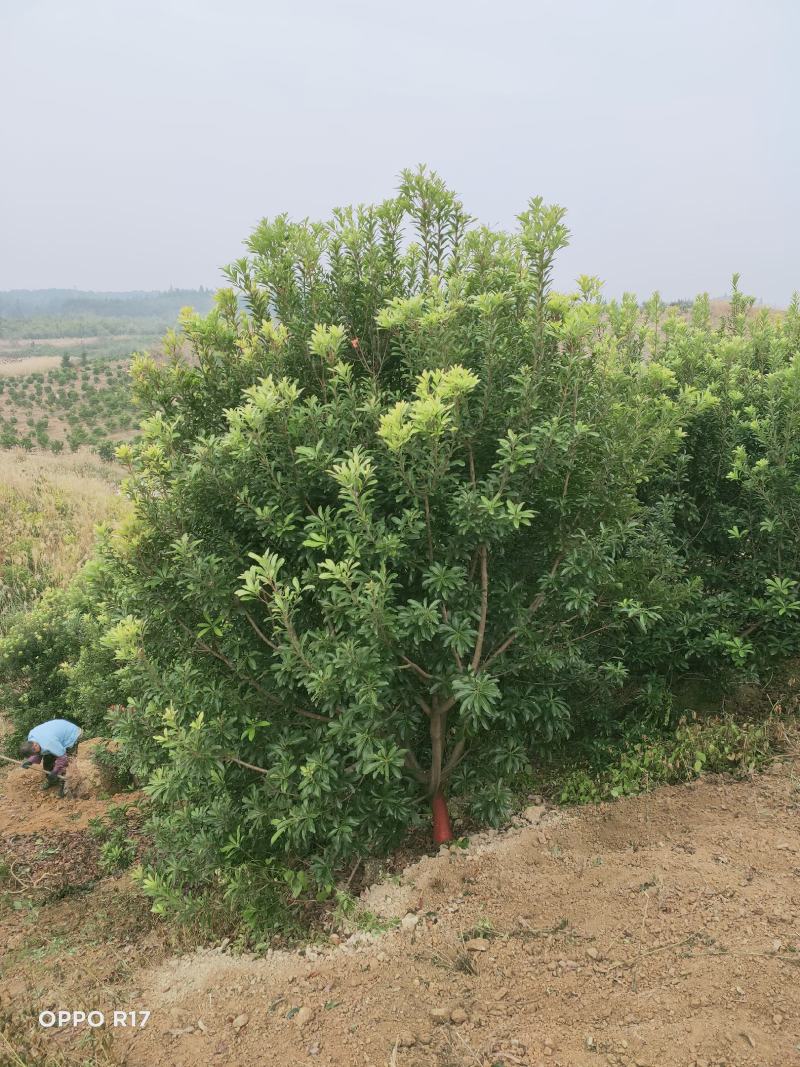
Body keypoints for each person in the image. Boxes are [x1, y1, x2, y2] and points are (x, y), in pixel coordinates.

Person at [19, 719, 82, 798]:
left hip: (72, 735)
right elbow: (38, 753)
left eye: (35, 753)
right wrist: (30, 761)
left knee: (66, 763)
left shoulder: (49, 743)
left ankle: (64, 786)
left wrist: (55, 771)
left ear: (35, 745)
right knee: (48, 759)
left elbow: (62, 758)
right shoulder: (31, 737)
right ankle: (52, 780)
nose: (36, 754)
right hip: (56, 734)